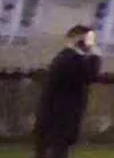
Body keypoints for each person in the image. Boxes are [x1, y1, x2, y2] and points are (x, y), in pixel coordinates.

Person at [34, 24, 101, 158]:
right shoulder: (70, 59)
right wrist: (94, 54)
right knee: (56, 151)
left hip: (55, 119)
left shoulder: (67, 58)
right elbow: (90, 75)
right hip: (60, 120)